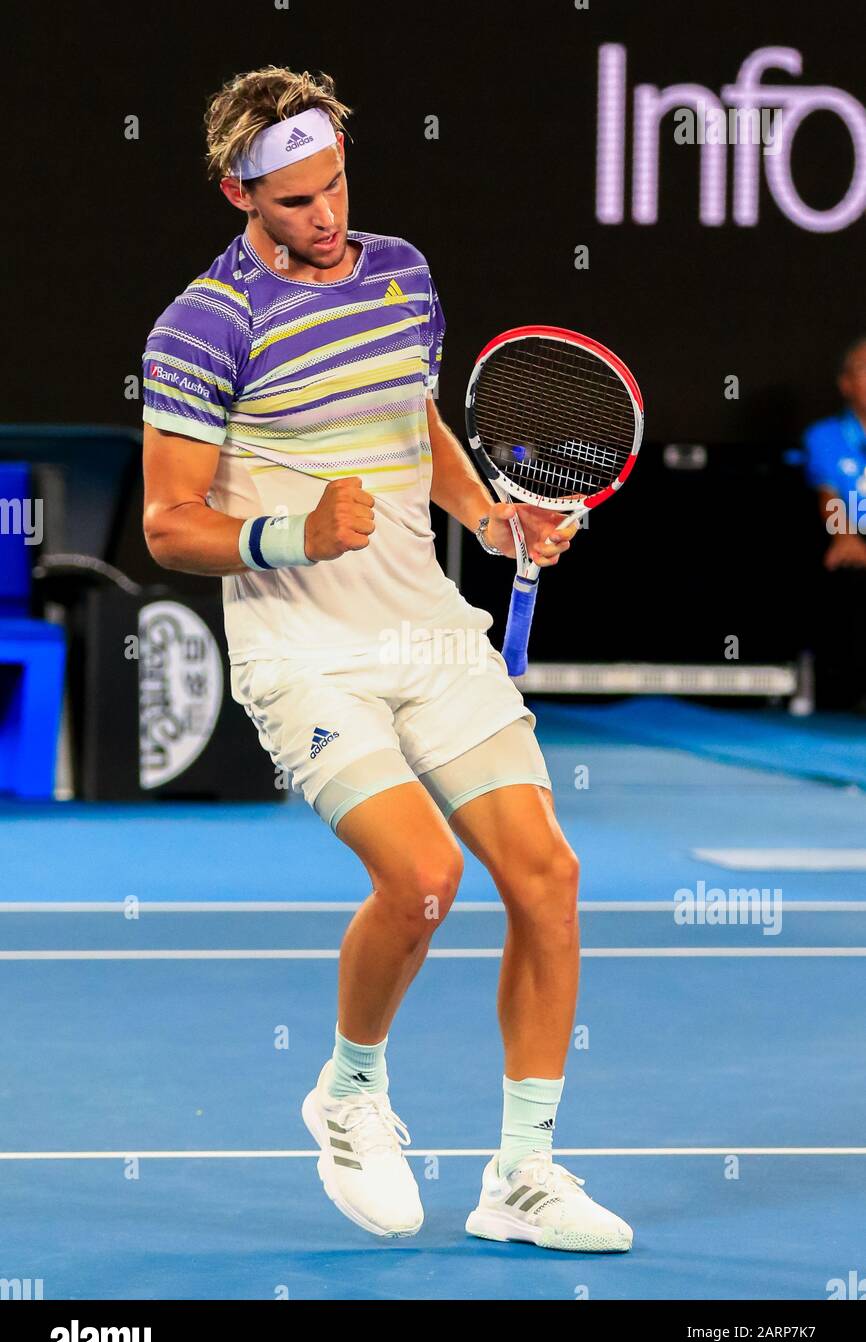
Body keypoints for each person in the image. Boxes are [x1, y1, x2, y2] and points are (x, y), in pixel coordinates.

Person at [141, 64, 632, 1253]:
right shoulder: (201, 325)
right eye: (297, 201)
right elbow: (167, 521)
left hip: (426, 632)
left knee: (546, 881)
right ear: (236, 193)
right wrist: (288, 533)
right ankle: (349, 1091)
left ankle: (519, 1175)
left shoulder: (402, 273)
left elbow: (417, 420)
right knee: (421, 880)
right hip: (302, 654)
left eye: (337, 185)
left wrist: (490, 515)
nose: (327, 217)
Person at [801, 337, 866, 706]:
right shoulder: (824, 436)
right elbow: (827, 495)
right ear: (845, 384)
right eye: (865, 368)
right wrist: (845, 536)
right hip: (851, 537)